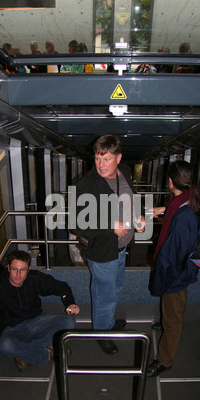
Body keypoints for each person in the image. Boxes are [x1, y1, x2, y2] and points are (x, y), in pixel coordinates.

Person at [72, 135, 145, 355]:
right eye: (97, 159)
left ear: (118, 158)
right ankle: (101, 333)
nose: (101, 165)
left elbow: (128, 199)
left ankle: (107, 323)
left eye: (107, 159)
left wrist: (137, 218)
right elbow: (76, 223)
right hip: (103, 252)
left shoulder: (123, 170)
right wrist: (111, 226)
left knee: (114, 289)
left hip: (121, 249)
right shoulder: (86, 185)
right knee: (106, 295)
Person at [147, 160, 200, 377]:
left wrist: (161, 278)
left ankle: (165, 360)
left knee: (174, 317)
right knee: (171, 310)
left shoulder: (185, 215)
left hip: (176, 273)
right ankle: (165, 323)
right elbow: (176, 212)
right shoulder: (185, 200)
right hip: (178, 269)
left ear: (171, 182)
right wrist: (162, 210)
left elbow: (173, 254)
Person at [0, 250, 80, 371]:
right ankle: (46, 352)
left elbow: (61, 287)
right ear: (8, 268)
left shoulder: (34, 278)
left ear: (28, 270)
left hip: (38, 321)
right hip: (14, 328)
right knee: (5, 345)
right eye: (14, 269)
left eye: (22, 270)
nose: (18, 274)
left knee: (69, 321)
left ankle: (25, 352)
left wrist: (70, 303)